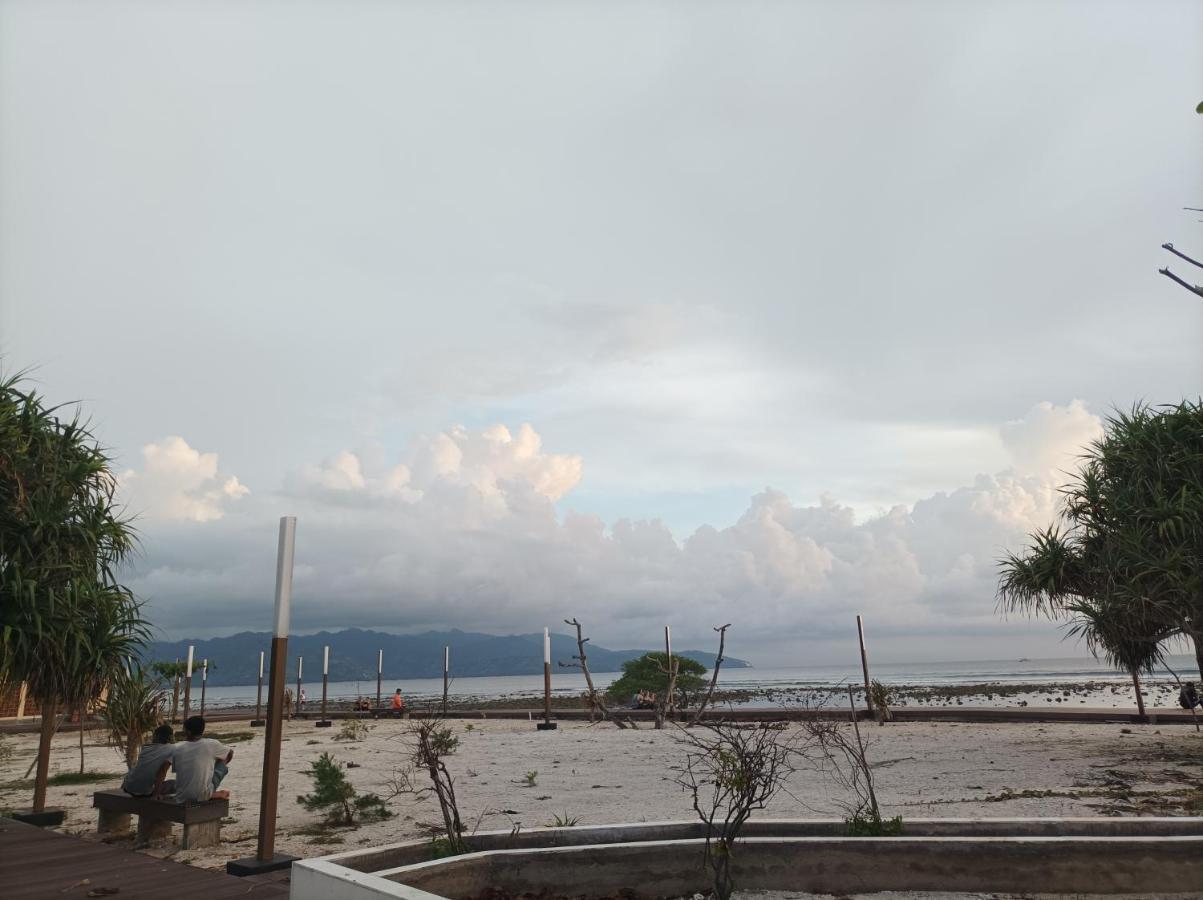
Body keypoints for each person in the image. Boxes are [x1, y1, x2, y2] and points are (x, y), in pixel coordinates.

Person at [173, 716, 234, 802]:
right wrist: (215, 766)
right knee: (221, 759)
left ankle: (209, 791)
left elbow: (178, 770)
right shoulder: (211, 744)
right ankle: (211, 793)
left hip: (181, 796)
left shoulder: (178, 749)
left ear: (188, 732)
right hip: (202, 795)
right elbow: (230, 753)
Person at [121, 724, 177, 798]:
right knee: (176, 784)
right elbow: (162, 772)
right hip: (145, 791)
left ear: (155, 736)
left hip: (128, 787)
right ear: (170, 737)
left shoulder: (146, 748)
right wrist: (155, 795)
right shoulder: (173, 749)